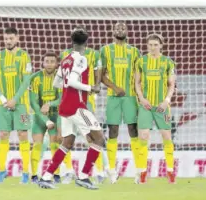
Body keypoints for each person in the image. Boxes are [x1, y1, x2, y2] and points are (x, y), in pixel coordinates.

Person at [38, 27, 104, 190]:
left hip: (65, 106)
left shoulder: (66, 59)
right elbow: (73, 81)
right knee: (99, 139)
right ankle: (83, 176)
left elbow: (57, 83)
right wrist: (90, 88)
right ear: (86, 44)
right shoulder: (81, 59)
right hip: (76, 106)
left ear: (72, 42)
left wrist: (68, 88)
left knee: (67, 142)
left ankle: (46, 176)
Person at [60, 26, 109, 184]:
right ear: (86, 41)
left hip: (83, 102)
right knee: (74, 138)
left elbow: (98, 71)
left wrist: (93, 87)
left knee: (88, 138)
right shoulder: (66, 55)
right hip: (76, 102)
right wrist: (93, 87)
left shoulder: (94, 54)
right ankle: (72, 172)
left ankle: (98, 171)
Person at [99, 22, 142, 184]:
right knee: (113, 131)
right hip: (113, 97)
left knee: (133, 129)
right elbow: (101, 75)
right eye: (117, 28)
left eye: (123, 28)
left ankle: (139, 170)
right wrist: (115, 87)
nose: (120, 30)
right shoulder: (105, 50)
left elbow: (140, 75)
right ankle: (111, 169)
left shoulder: (135, 51)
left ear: (127, 31)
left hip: (131, 97)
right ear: (112, 31)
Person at [0, 27, 33, 184]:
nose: (8, 41)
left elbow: (26, 80)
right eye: (6, 38)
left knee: (23, 135)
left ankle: (26, 173)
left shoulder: (24, 56)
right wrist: (3, 99)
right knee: (3, 135)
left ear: (17, 39)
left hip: (21, 104)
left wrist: (15, 99)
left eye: (11, 38)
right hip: (3, 105)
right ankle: (2, 171)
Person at [134, 34, 176, 184]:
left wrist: (166, 101)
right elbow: (137, 83)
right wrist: (141, 98)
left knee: (167, 137)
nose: (152, 47)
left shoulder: (168, 62)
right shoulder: (141, 61)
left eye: (155, 45)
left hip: (162, 107)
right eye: (150, 45)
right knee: (143, 136)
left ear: (161, 45)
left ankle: (170, 171)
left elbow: (171, 85)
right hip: (146, 106)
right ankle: (143, 172)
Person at [29, 51, 61, 183]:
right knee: (37, 145)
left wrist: (49, 104)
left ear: (56, 63)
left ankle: (56, 174)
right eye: (47, 61)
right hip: (39, 117)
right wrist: (45, 120)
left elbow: (62, 98)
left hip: (55, 115)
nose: (49, 64)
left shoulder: (60, 77)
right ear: (43, 63)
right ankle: (34, 175)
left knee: (55, 145)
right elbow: (33, 103)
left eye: (52, 61)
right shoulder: (35, 78)